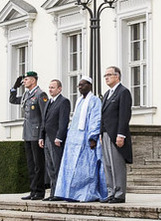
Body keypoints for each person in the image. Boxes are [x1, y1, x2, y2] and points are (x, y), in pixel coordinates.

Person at [54, 77, 107, 202]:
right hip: (73, 140)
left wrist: (93, 137)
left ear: (90, 85)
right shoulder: (78, 101)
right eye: (79, 85)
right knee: (71, 168)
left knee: (86, 169)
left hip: (86, 140)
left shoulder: (94, 101)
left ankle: (86, 194)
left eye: (82, 85)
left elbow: (96, 118)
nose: (80, 87)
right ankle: (71, 193)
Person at [10, 70, 48, 200]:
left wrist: (42, 135)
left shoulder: (40, 94)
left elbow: (44, 116)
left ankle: (39, 191)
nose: (24, 81)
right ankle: (33, 190)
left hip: (36, 134)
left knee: (38, 164)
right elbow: (13, 100)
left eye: (26, 79)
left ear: (33, 80)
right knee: (31, 164)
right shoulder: (27, 94)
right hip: (27, 133)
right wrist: (14, 87)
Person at [100, 65, 133, 204]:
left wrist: (121, 135)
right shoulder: (107, 94)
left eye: (109, 75)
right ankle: (111, 191)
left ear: (117, 76)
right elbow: (103, 116)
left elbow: (124, 115)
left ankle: (119, 193)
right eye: (105, 75)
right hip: (106, 134)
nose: (106, 77)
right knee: (107, 164)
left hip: (116, 135)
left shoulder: (123, 92)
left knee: (117, 164)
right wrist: (101, 133)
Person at [40, 79, 70, 201]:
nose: (50, 90)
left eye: (53, 87)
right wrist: (41, 136)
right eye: (49, 87)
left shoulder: (63, 102)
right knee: (50, 167)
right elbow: (44, 120)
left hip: (56, 139)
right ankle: (52, 192)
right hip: (47, 137)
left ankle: (59, 192)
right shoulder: (49, 102)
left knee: (57, 165)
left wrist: (59, 137)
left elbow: (63, 121)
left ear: (59, 89)